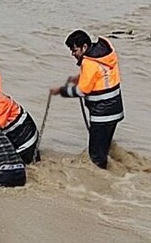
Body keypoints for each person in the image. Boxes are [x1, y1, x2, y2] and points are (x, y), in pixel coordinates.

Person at [50, 30, 124, 169]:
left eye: (74, 49)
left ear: (84, 47)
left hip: (102, 115)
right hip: (115, 110)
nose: (73, 54)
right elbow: (101, 76)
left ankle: (100, 181)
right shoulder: (103, 56)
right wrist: (79, 78)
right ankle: (110, 174)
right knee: (104, 148)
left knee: (95, 156)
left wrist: (60, 90)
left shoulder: (89, 63)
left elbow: (81, 90)